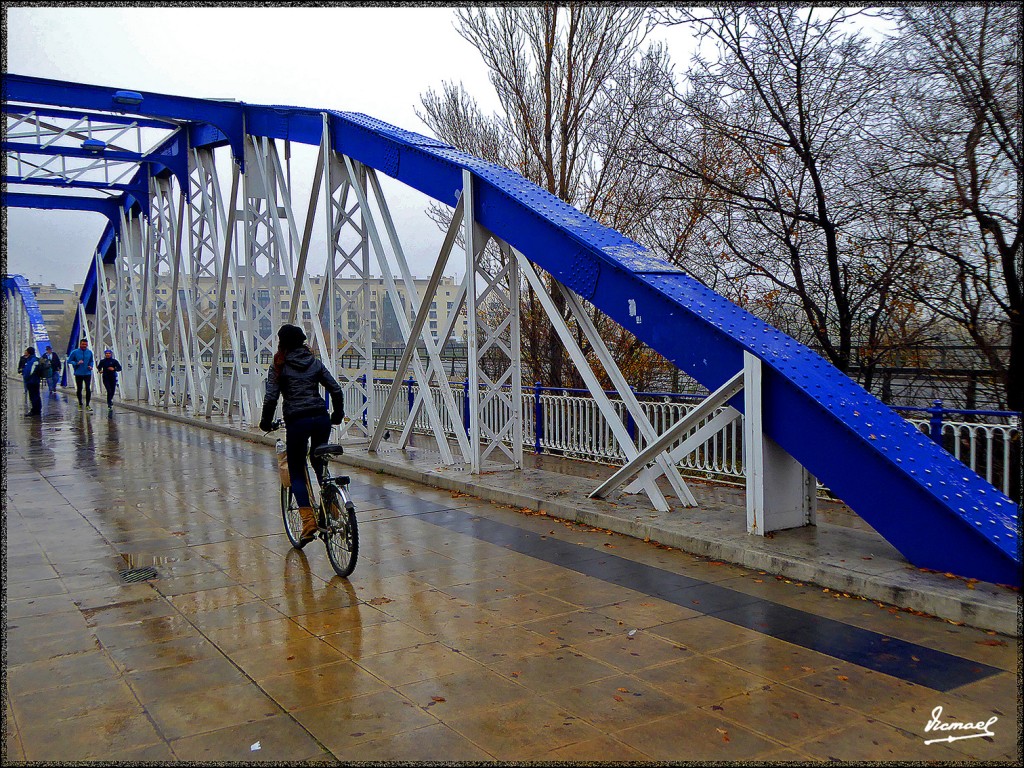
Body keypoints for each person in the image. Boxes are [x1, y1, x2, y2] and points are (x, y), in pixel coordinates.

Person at [259, 324, 345, 548]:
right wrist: (337, 414)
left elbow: (271, 399)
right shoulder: (314, 363)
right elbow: (336, 390)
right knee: (319, 463)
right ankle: (333, 506)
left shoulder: (279, 366)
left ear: (281, 343)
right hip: (320, 418)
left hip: (297, 421)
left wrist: (265, 422)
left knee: (297, 469)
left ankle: (308, 523)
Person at [66, 338, 95, 410]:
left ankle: (88, 404)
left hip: (87, 373)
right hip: (78, 373)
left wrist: (91, 366)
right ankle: (80, 403)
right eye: (83, 344)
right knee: (79, 388)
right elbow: (69, 361)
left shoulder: (89, 352)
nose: (84, 345)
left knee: (88, 388)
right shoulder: (75, 352)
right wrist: (76, 363)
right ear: (80, 344)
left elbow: (91, 361)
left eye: (85, 344)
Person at [21, 346, 42, 416]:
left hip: (32, 381)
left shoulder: (32, 360)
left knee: (33, 396)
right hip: (34, 380)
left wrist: (25, 377)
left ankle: (35, 411)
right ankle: (36, 410)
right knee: (36, 395)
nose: (25, 352)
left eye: (26, 351)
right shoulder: (33, 359)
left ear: (29, 352)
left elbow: (30, 371)